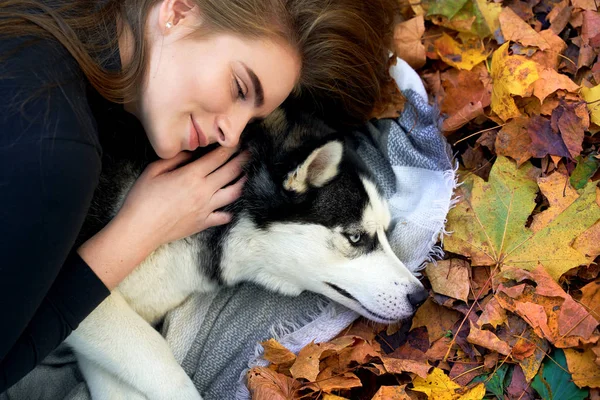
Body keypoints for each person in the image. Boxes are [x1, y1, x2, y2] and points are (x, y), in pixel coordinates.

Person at [0, 0, 397, 392]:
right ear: (177, 11)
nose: (232, 135)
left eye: (254, 119)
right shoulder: (55, 154)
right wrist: (137, 230)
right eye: (239, 87)